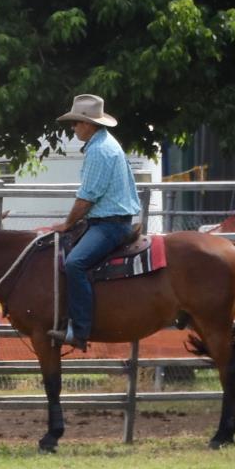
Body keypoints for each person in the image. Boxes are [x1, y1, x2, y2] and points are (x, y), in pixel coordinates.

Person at [41, 94, 141, 351]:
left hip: (109, 225)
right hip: (108, 221)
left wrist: (67, 224)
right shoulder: (106, 144)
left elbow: (86, 198)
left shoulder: (99, 151)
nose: (73, 128)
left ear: (88, 124)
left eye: (76, 123)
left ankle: (80, 330)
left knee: (74, 263)